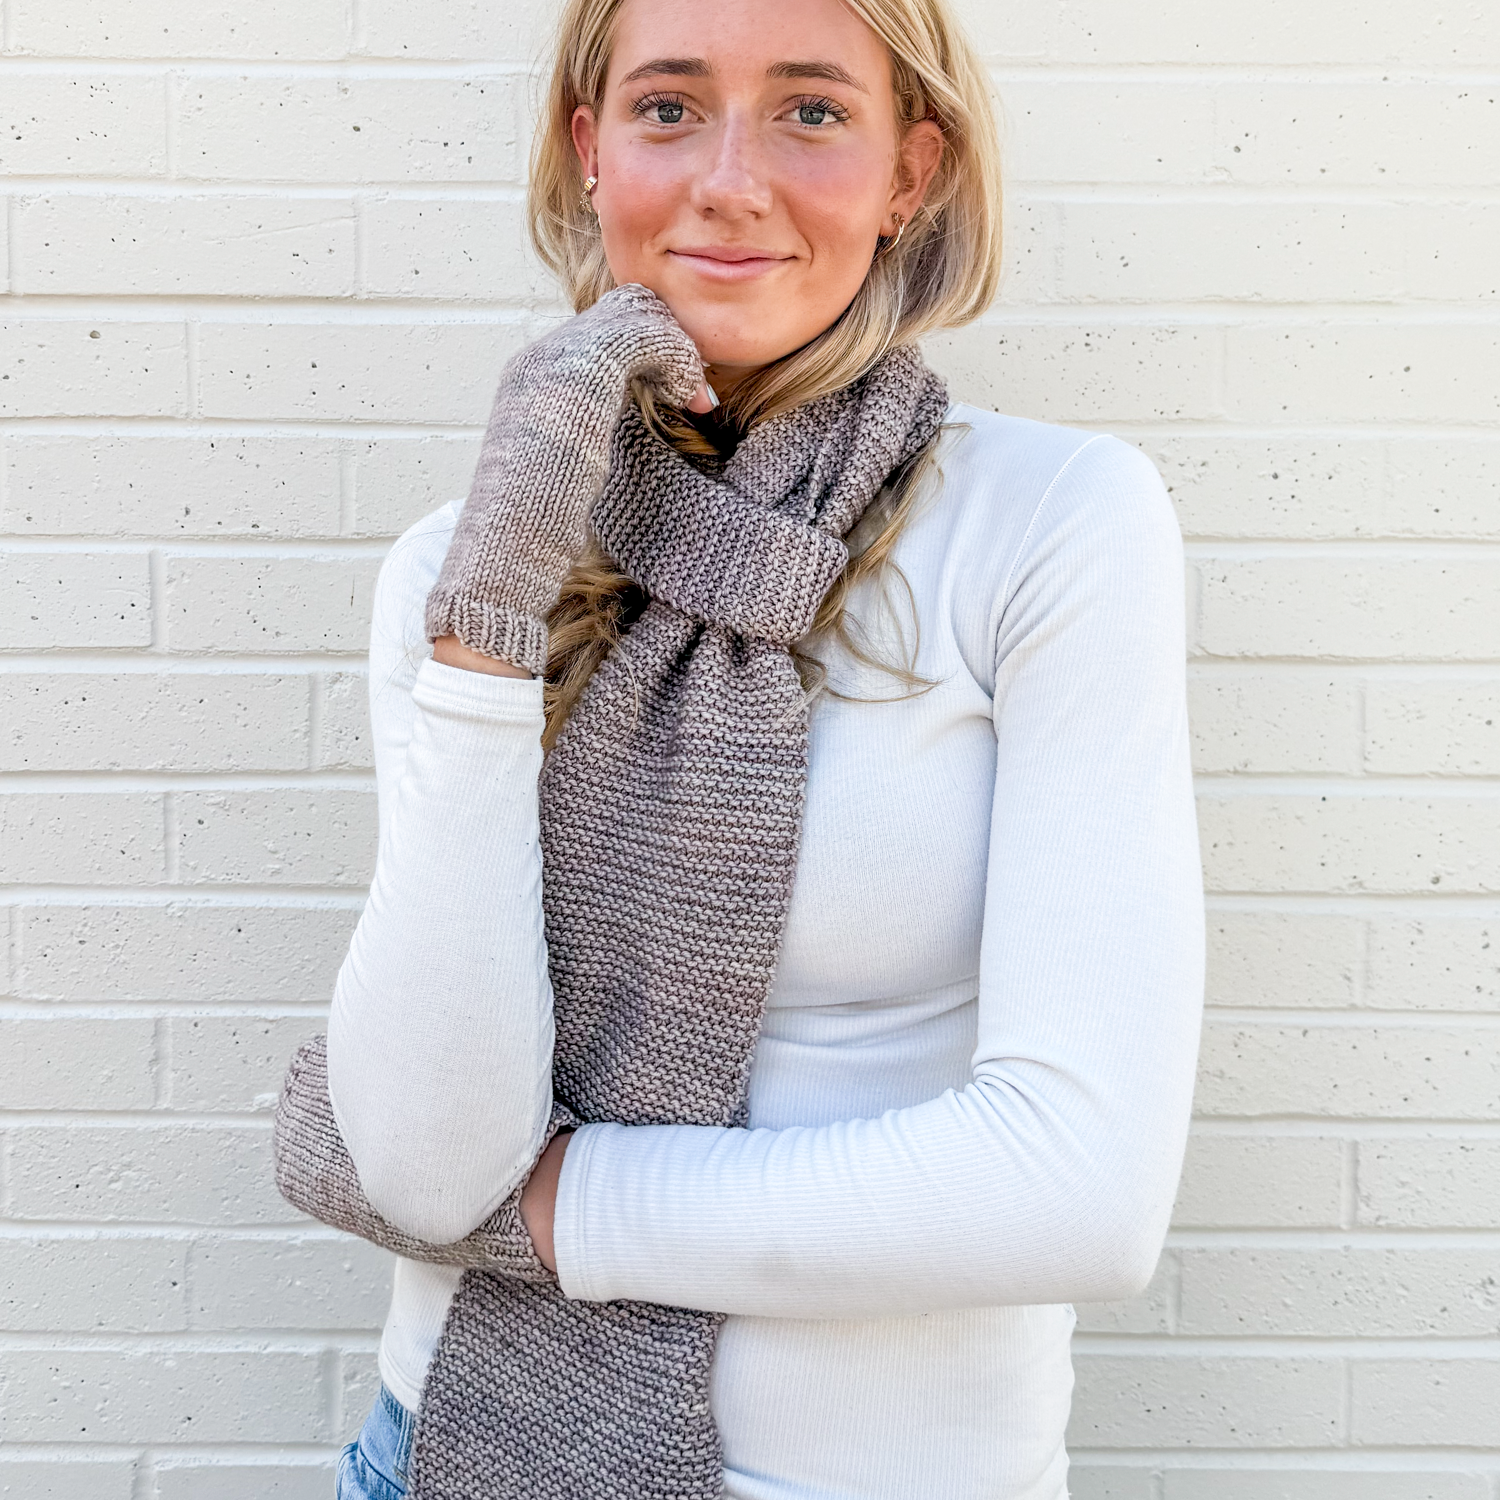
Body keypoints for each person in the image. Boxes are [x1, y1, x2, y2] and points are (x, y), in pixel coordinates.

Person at [285, 0, 1205, 1494]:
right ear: (590, 153)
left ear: (914, 167)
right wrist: (488, 629)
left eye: (811, 110)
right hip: (448, 1458)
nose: (729, 177)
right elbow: (429, 1166)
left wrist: (557, 1213)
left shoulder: (1053, 527)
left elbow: (1077, 1190)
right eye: (666, 109)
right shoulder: (467, 573)